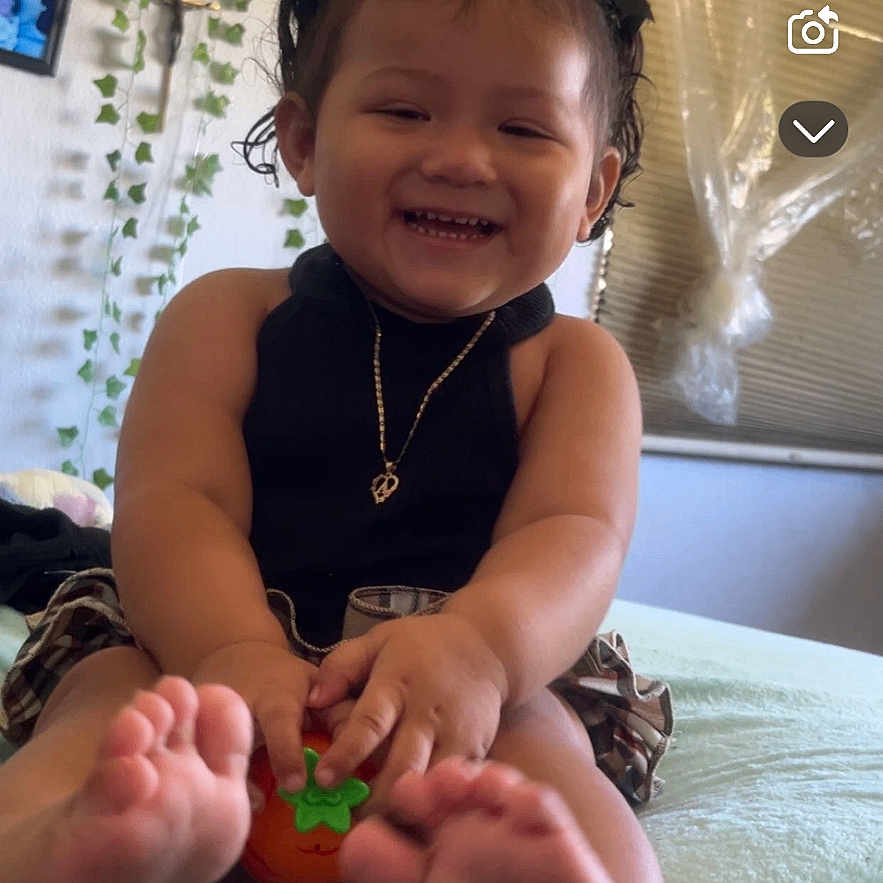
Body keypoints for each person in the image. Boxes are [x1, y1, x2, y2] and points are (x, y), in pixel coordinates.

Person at [0, 0, 674, 880]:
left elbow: (574, 535)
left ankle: (544, 864)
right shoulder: (225, 316)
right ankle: (73, 842)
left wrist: (478, 647)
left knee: (536, 731)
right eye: (404, 111)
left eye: (521, 126)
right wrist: (225, 649)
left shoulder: (576, 365)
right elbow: (177, 505)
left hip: (462, 669)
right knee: (117, 695)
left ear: (591, 188)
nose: (462, 159)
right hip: (207, 639)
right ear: (304, 140)